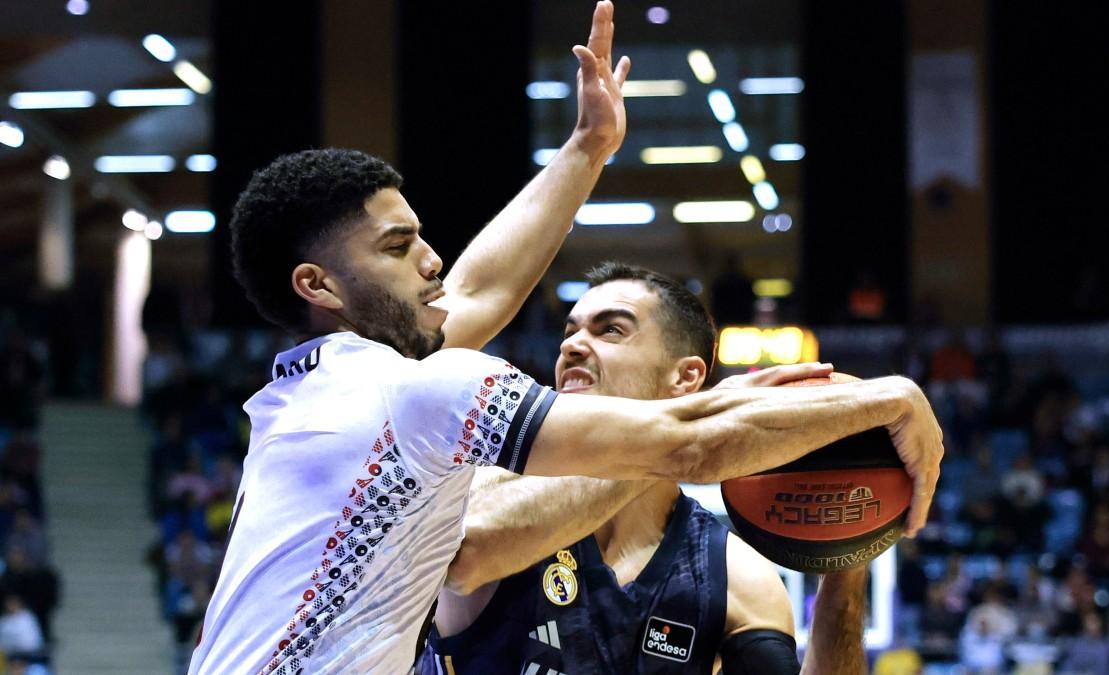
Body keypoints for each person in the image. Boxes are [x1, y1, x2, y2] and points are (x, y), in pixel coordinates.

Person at [189, 4, 945, 673]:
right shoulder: (413, 390)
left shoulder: (324, 389)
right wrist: (893, 397)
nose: (433, 260)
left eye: (422, 239)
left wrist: (587, 148)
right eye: (396, 247)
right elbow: (690, 444)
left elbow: (481, 289)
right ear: (317, 285)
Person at [418, 264, 869, 674]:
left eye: (610, 330)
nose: (572, 345)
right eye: (569, 332)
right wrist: (691, 438)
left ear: (685, 379)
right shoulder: (492, 481)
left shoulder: (734, 574)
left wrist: (851, 554)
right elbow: (467, 554)